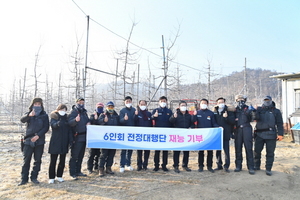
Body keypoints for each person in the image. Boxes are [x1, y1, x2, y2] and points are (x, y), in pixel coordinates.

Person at [19, 97, 49, 186]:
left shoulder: (44, 115)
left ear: (41, 105)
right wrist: (29, 115)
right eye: (35, 104)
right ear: (32, 105)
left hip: (39, 141)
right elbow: (22, 120)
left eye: (39, 104)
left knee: (37, 160)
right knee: (26, 160)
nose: (37, 106)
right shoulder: (29, 114)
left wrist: (38, 136)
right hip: (28, 140)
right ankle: (24, 179)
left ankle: (34, 177)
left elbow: (46, 127)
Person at [254, 96, 284, 176]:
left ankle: (268, 168)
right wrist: (254, 111)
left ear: (271, 101)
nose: (266, 101)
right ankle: (256, 166)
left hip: (271, 135)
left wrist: (280, 134)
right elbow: (254, 118)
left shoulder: (276, 111)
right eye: (265, 100)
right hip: (259, 134)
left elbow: (280, 123)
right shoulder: (259, 110)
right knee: (257, 152)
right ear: (263, 101)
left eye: (268, 100)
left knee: (270, 153)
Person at [192, 98, 219, 173]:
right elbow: (192, 121)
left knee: (210, 151)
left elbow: (214, 123)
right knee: (201, 151)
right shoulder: (197, 112)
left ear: (207, 104)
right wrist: (194, 116)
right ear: (200, 105)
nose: (203, 105)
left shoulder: (211, 113)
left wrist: (218, 127)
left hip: (209, 135)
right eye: (202, 103)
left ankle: (209, 166)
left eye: (205, 103)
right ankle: (200, 166)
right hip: (200, 135)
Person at [48, 104, 72, 184]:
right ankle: (51, 177)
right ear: (58, 110)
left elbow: (69, 130)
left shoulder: (67, 118)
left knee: (62, 160)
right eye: (61, 109)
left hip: (64, 142)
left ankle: (59, 176)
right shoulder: (54, 117)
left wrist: (70, 141)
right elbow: (53, 125)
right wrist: (58, 123)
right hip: (55, 141)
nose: (63, 111)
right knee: (53, 161)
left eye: (64, 110)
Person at [68, 97, 90, 180]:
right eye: (80, 102)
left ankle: (78, 171)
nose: (81, 104)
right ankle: (72, 173)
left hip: (84, 137)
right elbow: (69, 123)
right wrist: (75, 120)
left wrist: (89, 122)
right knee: (74, 156)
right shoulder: (73, 112)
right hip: (76, 137)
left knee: (81, 156)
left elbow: (87, 120)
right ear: (76, 102)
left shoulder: (84, 112)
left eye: (83, 102)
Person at [233, 94, 256, 175]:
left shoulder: (248, 108)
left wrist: (253, 112)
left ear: (245, 100)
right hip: (238, 130)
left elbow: (253, 118)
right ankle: (238, 166)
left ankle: (251, 167)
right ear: (236, 100)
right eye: (238, 99)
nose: (240, 100)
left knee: (249, 148)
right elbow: (231, 121)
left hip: (247, 128)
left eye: (242, 99)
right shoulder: (234, 110)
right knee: (238, 148)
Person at [169, 101, 194, 173]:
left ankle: (185, 165)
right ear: (179, 107)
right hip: (177, 136)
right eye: (182, 105)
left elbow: (192, 124)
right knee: (176, 151)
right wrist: (174, 117)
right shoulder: (176, 114)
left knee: (186, 151)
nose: (183, 107)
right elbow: (170, 121)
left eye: (184, 105)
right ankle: (176, 166)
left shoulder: (189, 115)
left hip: (186, 136)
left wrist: (191, 128)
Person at [213, 97, 235, 173]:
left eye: (222, 102)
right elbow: (213, 122)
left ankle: (226, 166)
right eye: (219, 102)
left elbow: (232, 122)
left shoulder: (229, 111)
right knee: (218, 150)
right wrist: (217, 127)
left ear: (224, 103)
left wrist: (226, 117)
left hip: (226, 133)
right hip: (217, 134)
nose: (221, 104)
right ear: (217, 103)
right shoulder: (215, 111)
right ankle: (219, 165)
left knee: (226, 151)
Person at [98, 101, 120, 177]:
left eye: (112, 106)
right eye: (109, 106)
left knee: (111, 154)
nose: (110, 108)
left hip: (114, 139)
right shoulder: (103, 115)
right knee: (103, 154)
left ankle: (108, 168)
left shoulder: (116, 115)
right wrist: (104, 121)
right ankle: (101, 169)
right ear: (106, 107)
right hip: (105, 138)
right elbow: (98, 122)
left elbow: (120, 124)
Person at [151, 96, 173, 171]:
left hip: (166, 133)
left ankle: (164, 165)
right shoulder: (156, 110)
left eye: (164, 101)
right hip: (158, 134)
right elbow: (151, 119)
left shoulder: (169, 111)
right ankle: (156, 165)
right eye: (161, 101)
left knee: (165, 151)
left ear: (166, 102)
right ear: (159, 102)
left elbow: (172, 121)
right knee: (157, 151)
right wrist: (154, 116)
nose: (163, 102)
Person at [119, 96, 136, 172]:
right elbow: (120, 121)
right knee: (123, 150)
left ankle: (128, 164)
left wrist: (136, 115)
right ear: (124, 102)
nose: (128, 103)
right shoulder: (122, 111)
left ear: (131, 102)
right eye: (127, 102)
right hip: (124, 132)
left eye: (129, 101)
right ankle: (122, 165)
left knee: (130, 149)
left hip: (132, 132)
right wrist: (124, 119)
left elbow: (136, 120)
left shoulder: (134, 110)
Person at [134, 100, 152, 171]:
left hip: (147, 135)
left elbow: (151, 123)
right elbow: (134, 121)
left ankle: (145, 165)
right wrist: (135, 115)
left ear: (146, 105)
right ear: (139, 105)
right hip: (139, 135)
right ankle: (139, 165)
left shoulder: (149, 114)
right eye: (141, 104)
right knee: (139, 151)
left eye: (144, 104)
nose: (143, 105)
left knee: (147, 151)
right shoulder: (137, 113)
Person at [87, 102, 104, 174]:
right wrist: (95, 119)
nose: (99, 109)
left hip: (101, 138)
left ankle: (96, 166)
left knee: (99, 154)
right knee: (91, 154)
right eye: (98, 107)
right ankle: (89, 168)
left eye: (101, 107)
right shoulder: (92, 115)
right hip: (93, 138)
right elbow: (90, 123)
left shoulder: (104, 115)